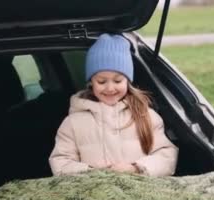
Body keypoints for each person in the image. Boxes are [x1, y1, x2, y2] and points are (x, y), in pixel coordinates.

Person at [49, 34, 178, 177]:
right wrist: (90, 173)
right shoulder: (72, 123)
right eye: (102, 82)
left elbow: (166, 156)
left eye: (117, 81)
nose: (110, 88)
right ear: (91, 82)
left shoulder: (146, 115)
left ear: (128, 81)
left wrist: (136, 168)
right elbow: (60, 162)